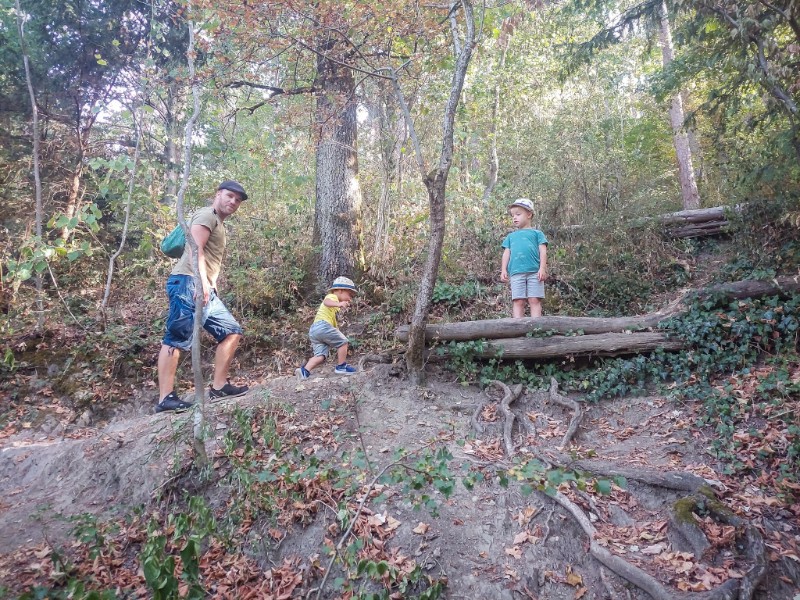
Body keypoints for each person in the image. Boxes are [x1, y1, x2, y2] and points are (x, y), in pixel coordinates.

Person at [155, 180, 250, 413]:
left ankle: (219, 387)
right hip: (189, 283)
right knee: (177, 337)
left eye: (237, 200)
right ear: (217, 195)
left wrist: (210, 285)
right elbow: (195, 248)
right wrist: (202, 283)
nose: (233, 202)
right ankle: (165, 398)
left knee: (231, 332)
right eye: (229, 196)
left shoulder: (218, 222)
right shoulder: (206, 214)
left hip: (203, 287)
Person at [295, 277, 358, 380]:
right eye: (350, 295)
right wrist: (339, 303)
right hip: (322, 326)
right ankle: (341, 367)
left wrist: (336, 329)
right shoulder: (332, 297)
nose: (350, 299)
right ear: (340, 290)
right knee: (343, 342)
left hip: (315, 331)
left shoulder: (333, 308)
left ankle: (304, 371)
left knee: (320, 356)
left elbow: (332, 322)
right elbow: (326, 302)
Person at [500, 198, 549, 318]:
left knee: (534, 300)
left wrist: (542, 268)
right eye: (513, 215)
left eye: (518, 214)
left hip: (534, 272)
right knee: (518, 301)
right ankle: (517, 329)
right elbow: (506, 253)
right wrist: (503, 270)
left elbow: (543, 251)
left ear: (529, 214)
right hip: (516, 272)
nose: (514, 218)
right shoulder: (511, 236)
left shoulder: (537, 234)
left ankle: (536, 328)